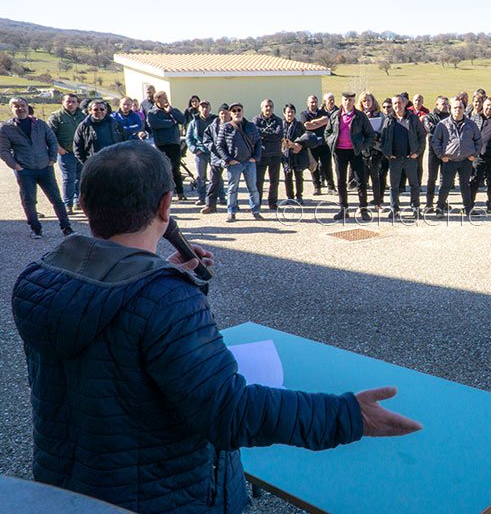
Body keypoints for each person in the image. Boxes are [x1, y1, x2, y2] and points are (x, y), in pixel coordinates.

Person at [11, 140, 421, 513]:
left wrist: (157, 275)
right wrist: (347, 416)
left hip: (70, 489)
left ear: (82, 202)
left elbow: (117, 347)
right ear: (165, 207)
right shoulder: (164, 298)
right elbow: (227, 412)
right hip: (161, 495)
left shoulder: (40, 280)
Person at [1, 97, 74, 238]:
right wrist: (15, 166)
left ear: (27, 106)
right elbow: (3, 150)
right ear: (11, 108)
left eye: (22, 105)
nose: (20, 108)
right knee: (29, 200)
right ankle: (36, 229)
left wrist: (52, 159)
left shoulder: (39, 124)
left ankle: (66, 227)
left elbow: (52, 141)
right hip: (24, 170)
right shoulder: (6, 128)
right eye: (16, 106)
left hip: (44, 168)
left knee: (56, 199)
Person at [324, 91, 375, 221]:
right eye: (345, 100)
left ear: (354, 101)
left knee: (361, 181)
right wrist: (332, 143)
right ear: (342, 101)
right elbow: (327, 132)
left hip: (355, 152)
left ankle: (363, 209)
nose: (348, 103)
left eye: (350, 100)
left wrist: (362, 146)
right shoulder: (335, 115)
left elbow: (370, 134)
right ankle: (343, 209)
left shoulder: (360, 116)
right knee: (341, 181)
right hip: (339, 152)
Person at [432, 96, 481, 217]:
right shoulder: (442, 124)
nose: (457, 110)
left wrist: (474, 154)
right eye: (455, 107)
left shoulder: (471, 124)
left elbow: (478, 140)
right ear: (450, 109)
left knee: (465, 185)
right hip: (449, 160)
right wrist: (441, 155)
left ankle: (468, 208)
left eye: (460, 107)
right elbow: (435, 141)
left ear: (464, 109)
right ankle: (440, 208)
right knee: (445, 185)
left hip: (466, 160)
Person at [382, 94, 426, 219]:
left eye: (399, 103)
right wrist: (387, 153)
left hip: (410, 158)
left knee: (414, 185)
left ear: (405, 103)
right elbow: (383, 139)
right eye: (395, 103)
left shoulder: (413, 118)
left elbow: (421, 136)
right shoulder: (389, 120)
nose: (397, 106)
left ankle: (416, 209)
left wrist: (417, 153)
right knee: (394, 186)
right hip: (395, 159)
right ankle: (394, 209)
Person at [218, 102, 264, 222]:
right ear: (230, 113)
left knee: (253, 188)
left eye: (239, 110)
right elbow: (220, 146)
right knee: (232, 189)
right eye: (234, 111)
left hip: (249, 162)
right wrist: (228, 159)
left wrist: (255, 157)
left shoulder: (251, 126)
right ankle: (231, 212)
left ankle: (256, 211)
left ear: (243, 111)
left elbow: (258, 142)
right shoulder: (226, 127)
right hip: (234, 163)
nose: (237, 113)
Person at [47, 93, 86, 214]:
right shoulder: (56, 117)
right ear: (63, 103)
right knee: (69, 178)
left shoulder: (83, 116)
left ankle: (78, 202)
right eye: (68, 101)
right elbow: (50, 135)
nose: (71, 104)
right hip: (66, 153)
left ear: (77, 103)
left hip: (80, 153)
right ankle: (67, 204)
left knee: (80, 178)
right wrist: (59, 148)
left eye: (74, 102)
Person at [147, 91, 187, 201]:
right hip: (161, 144)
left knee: (175, 168)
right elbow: (156, 124)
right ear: (157, 100)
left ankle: (180, 192)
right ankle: (164, 195)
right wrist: (171, 122)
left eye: (166, 98)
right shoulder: (152, 113)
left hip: (174, 143)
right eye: (164, 98)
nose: (166, 100)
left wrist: (172, 112)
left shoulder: (171, 110)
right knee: (164, 169)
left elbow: (182, 120)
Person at [281, 103, 319, 204]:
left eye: (292, 112)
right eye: (288, 112)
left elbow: (306, 137)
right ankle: (289, 196)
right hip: (286, 155)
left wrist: (299, 144)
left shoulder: (299, 125)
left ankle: (299, 196)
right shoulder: (280, 125)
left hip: (298, 154)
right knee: (287, 176)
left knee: (299, 176)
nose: (290, 114)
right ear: (284, 113)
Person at [300, 95, 335, 195]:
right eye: (311, 102)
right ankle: (317, 187)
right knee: (313, 167)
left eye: (315, 102)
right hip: (312, 145)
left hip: (324, 144)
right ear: (308, 103)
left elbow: (327, 120)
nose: (314, 104)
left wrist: (314, 122)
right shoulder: (304, 114)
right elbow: (307, 126)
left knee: (327, 166)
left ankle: (331, 187)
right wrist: (320, 123)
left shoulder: (323, 112)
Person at [253, 99, 285, 211]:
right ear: (262, 108)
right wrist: (269, 133)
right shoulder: (256, 120)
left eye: (270, 106)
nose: (268, 108)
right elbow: (256, 133)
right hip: (261, 155)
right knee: (258, 181)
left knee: (274, 181)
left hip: (275, 155)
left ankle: (273, 202)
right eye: (266, 106)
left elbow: (279, 135)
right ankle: (258, 203)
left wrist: (264, 134)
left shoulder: (278, 120)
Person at [200, 103, 231, 214]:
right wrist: (213, 148)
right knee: (213, 182)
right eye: (222, 113)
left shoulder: (234, 125)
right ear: (218, 114)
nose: (224, 116)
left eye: (226, 113)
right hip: (216, 158)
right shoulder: (212, 126)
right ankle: (210, 205)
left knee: (233, 183)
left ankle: (233, 205)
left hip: (231, 157)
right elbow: (206, 140)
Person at [186, 100, 216, 206]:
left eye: (206, 107)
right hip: (200, 152)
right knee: (201, 177)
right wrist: (194, 149)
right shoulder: (194, 122)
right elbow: (188, 138)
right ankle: (201, 197)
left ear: (210, 108)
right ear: (199, 109)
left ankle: (220, 197)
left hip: (213, 152)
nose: (205, 109)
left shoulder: (214, 121)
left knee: (216, 176)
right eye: (202, 107)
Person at [359, 93, 386, 211]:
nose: (366, 103)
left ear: (373, 101)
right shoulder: (359, 115)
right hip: (363, 150)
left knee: (375, 176)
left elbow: (384, 129)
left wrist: (376, 135)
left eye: (368, 100)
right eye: (364, 101)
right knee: (362, 178)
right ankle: (363, 205)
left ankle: (377, 203)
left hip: (376, 149)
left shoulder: (380, 115)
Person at [423, 96, 450, 212]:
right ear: (436, 104)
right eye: (443, 103)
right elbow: (431, 130)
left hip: (447, 151)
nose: (445, 106)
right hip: (434, 151)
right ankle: (429, 204)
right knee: (432, 178)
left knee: (445, 179)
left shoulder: (450, 117)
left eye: (446, 104)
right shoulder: (429, 116)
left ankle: (442, 202)